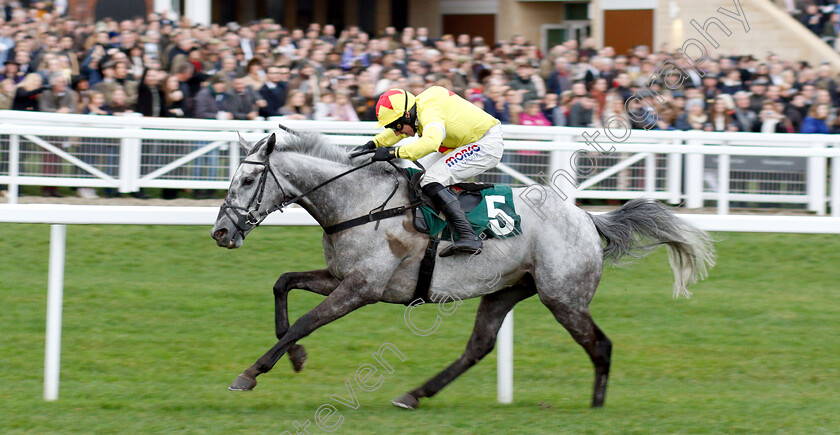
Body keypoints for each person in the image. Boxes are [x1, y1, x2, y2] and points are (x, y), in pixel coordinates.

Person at [358, 87, 504, 257]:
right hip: (464, 143)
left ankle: (468, 236)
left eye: (396, 126)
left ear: (407, 115)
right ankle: (433, 228)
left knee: (431, 180)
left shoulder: (430, 112)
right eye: (392, 127)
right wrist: (374, 143)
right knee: (415, 175)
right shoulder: (416, 108)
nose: (397, 132)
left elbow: (430, 144)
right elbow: (399, 132)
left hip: (485, 143)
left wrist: (392, 153)